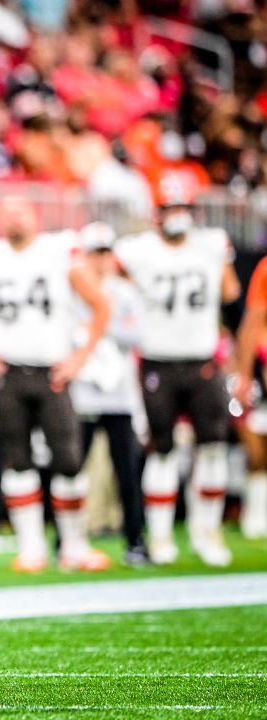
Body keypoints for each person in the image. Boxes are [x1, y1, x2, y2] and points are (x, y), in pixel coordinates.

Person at [0, 198, 112, 573]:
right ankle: (32, 547)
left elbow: (100, 304)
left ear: (36, 216)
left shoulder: (59, 250)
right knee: (18, 459)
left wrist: (79, 357)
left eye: (21, 210)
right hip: (7, 374)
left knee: (69, 460)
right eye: (7, 211)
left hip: (51, 372)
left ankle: (74, 545)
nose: (14, 216)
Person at [115, 180, 240, 566]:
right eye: (171, 208)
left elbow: (231, 291)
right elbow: (109, 275)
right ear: (157, 215)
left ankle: (207, 532)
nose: (178, 216)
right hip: (157, 360)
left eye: (183, 207)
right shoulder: (137, 250)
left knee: (213, 446)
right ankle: (163, 536)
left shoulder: (212, 245)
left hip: (203, 360)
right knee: (163, 448)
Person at [71, 223, 149, 565]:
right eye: (95, 253)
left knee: (127, 471)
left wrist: (99, 323)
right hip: (84, 392)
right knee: (72, 468)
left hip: (118, 393)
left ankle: (135, 539)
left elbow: (136, 334)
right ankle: (68, 539)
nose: (102, 260)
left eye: (106, 252)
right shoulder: (71, 290)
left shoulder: (125, 291)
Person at [233, 254, 267, 540]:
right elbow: (252, 323)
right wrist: (243, 375)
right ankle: (256, 514)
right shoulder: (266, 269)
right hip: (261, 376)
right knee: (257, 454)